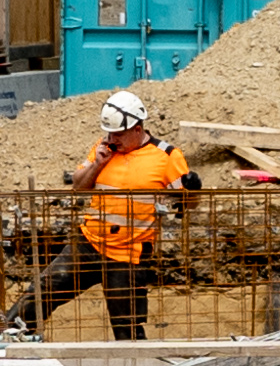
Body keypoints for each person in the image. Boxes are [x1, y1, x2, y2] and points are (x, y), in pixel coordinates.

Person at [77, 89, 193, 338]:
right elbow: (78, 187)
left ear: (137, 129)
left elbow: (188, 203)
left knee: (126, 327)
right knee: (41, 293)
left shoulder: (167, 156)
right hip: (88, 243)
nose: (112, 139)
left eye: (118, 134)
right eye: (110, 133)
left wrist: (192, 190)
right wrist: (98, 164)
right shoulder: (103, 149)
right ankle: (6, 336)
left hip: (128, 254)